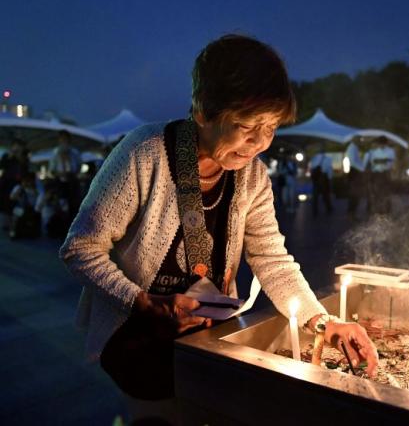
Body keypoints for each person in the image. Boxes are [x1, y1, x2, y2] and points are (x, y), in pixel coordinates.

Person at [59, 35, 378, 424]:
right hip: (137, 341)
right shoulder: (144, 153)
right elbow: (80, 248)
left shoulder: (253, 176)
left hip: (208, 342)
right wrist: (142, 302)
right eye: (246, 125)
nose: (259, 142)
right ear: (203, 111)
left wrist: (323, 322)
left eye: (271, 127)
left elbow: (271, 258)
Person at [48, 130, 82, 217]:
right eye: (61, 139)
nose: (64, 141)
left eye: (65, 139)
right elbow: (51, 170)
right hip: (60, 182)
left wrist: (73, 174)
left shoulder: (74, 153)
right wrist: (60, 174)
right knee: (62, 205)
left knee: (74, 204)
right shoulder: (55, 153)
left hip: (72, 181)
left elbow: (79, 165)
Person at [0, 138, 30, 230]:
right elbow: (1, 166)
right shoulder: (7, 156)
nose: (17, 149)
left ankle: (14, 224)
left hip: (17, 184)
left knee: (15, 205)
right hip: (5, 183)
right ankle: (7, 223)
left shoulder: (24, 158)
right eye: (15, 146)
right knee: (5, 203)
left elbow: (25, 171)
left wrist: (19, 157)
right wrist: (10, 156)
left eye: (19, 147)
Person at [364, 136, 395, 214]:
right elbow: (373, 163)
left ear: (386, 143)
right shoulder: (375, 152)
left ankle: (388, 210)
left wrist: (381, 161)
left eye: (383, 144)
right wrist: (384, 160)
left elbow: (390, 163)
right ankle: (379, 211)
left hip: (386, 173)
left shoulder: (390, 151)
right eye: (380, 144)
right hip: (377, 174)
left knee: (386, 192)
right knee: (377, 193)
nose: (381, 145)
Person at [8, 172, 40, 239]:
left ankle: (32, 232)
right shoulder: (18, 187)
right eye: (27, 180)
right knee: (16, 215)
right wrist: (21, 188)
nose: (28, 182)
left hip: (31, 209)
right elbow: (12, 197)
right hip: (20, 208)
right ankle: (13, 232)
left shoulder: (35, 189)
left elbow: (37, 199)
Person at [343, 138, 365, 219]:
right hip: (355, 173)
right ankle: (351, 213)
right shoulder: (352, 147)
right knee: (354, 194)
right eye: (359, 139)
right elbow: (353, 162)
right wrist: (362, 169)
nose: (361, 141)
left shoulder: (354, 147)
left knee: (355, 194)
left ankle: (352, 213)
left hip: (355, 172)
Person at [309, 146, 334, 216]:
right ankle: (329, 208)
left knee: (315, 195)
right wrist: (330, 179)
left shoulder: (315, 158)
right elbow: (329, 170)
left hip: (316, 179)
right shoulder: (328, 158)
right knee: (325, 194)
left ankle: (315, 210)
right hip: (324, 178)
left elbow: (312, 167)